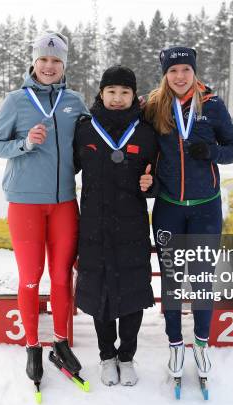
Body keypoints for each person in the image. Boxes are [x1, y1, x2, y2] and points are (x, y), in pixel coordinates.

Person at [0, 31, 88, 389]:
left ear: (64, 65)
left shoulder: (75, 101)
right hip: (25, 201)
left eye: (56, 61)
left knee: (61, 277)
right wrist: (26, 143)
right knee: (31, 276)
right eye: (43, 60)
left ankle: (59, 342)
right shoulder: (16, 100)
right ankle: (32, 345)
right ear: (34, 61)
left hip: (63, 202)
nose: (49, 66)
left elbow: (94, 142)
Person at [144, 46, 233, 383]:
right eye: (173, 71)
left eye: (185, 70)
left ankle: (201, 343)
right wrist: (148, 181)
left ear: (194, 71)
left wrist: (213, 151)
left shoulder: (212, 105)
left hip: (205, 209)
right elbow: (145, 150)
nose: (180, 77)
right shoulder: (154, 105)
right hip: (169, 208)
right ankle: (175, 344)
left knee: (201, 279)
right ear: (165, 74)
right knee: (172, 279)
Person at [74, 65, 157, 387]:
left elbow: (155, 182)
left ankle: (127, 357)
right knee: (100, 295)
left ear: (134, 95)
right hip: (94, 226)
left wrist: (151, 185)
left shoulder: (147, 132)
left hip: (132, 227)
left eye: (125, 92)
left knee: (133, 294)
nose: (118, 98)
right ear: (101, 93)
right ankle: (107, 357)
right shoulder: (84, 130)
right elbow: (66, 168)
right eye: (112, 91)